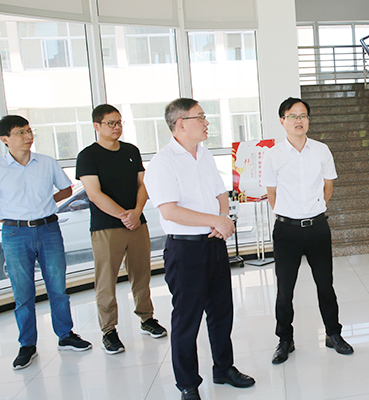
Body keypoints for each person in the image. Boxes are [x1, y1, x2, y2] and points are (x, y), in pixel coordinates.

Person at [144, 98, 254, 400]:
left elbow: (220, 193)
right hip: (185, 250)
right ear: (180, 124)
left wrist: (222, 219)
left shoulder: (204, 155)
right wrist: (215, 220)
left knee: (222, 312)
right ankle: (188, 384)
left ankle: (224, 368)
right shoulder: (163, 163)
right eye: (201, 117)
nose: (207, 123)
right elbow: (170, 211)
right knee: (187, 320)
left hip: (214, 244)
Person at [261, 97, 353, 365]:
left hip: (317, 228)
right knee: (285, 290)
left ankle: (333, 334)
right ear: (282, 121)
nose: (298, 120)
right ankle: (285, 340)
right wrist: (290, 214)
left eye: (303, 115)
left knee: (325, 284)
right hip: (286, 231)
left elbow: (328, 187)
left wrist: (313, 210)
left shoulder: (321, 150)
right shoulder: (273, 155)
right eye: (292, 116)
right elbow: (271, 194)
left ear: (308, 120)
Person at [0, 115, 92, 370]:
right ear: (5, 139)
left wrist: (46, 202)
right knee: (23, 293)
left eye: (29, 131)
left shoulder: (47, 162)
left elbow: (66, 189)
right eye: (20, 132)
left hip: (48, 228)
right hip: (15, 233)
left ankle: (65, 335)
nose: (28, 136)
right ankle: (27, 344)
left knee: (57, 287)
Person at [76, 104, 166, 355]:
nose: (116, 127)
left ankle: (147, 318)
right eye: (111, 123)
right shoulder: (88, 156)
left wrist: (136, 212)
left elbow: (143, 184)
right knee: (106, 280)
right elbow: (94, 194)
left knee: (142, 274)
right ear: (97, 126)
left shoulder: (130, 151)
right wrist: (123, 215)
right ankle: (109, 331)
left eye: (119, 122)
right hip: (106, 227)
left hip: (137, 222)